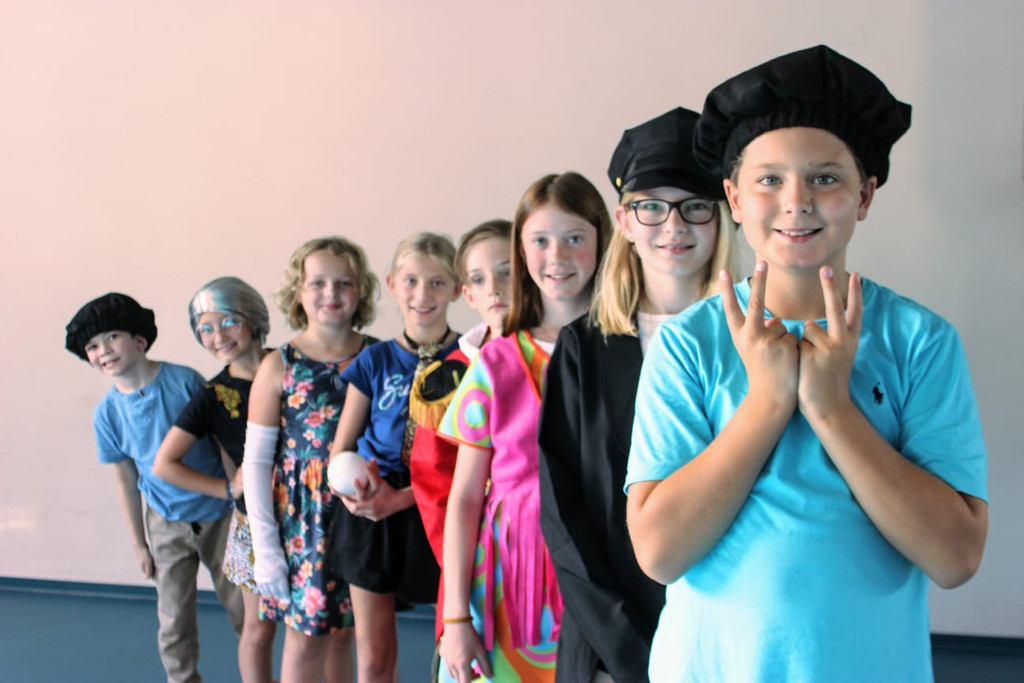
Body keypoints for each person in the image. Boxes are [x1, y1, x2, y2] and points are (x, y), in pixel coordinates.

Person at [625, 45, 988, 682]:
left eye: (825, 178)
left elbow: (955, 557)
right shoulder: (689, 345)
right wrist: (768, 402)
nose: (796, 202)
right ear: (734, 197)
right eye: (769, 180)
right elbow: (659, 550)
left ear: (865, 194)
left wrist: (831, 408)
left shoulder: (919, 341)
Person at [537, 108, 739, 683]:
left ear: (723, 216)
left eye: (694, 206)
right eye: (652, 206)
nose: (673, 226)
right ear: (625, 220)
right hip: (613, 647)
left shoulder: (754, 340)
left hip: (732, 633)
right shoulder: (583, 348)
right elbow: (565, 517)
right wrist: (630, 653)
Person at [437, 172, 611, 682]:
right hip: (508, 579)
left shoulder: (626, 350)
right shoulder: (496, 362)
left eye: (575, 237)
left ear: (603, 240)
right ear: (521, 250)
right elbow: (464, 497)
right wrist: (455, 618)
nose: (557, 256)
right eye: (540, 240)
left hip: (600, 571)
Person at [65, 292, 244, 683]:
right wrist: (140, 544)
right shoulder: (107, 414)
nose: (103, 350)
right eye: (93, 346)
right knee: (173, 619)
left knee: (244, 609)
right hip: (164, 522)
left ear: (140, 340)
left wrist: (240, 501)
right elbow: (126, 478)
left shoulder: (185, 382)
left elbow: (222, 441)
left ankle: (257, 673)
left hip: (220, 517)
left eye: (112, 337)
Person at [326, 232, 462, 683]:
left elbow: (477, 463)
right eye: (411, 281)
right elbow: (341, 450)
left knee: (456, 643)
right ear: (391, 284)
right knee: (374, 658)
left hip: (444, 508)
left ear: (457, 288)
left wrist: (402, 499)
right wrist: (352, 491)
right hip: (372, 512)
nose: (423, 295)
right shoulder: (374, 360)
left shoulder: (474, 359)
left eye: (437, 283)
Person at [243, 237, 379, 683]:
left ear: (361, 290)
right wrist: (265, 548)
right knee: (306, 637)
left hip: (362, 512)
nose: (331, 293)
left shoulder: (379, 356)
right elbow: (256, 463)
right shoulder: (279, 365)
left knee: (346, 633)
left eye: (344, 283)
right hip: (304, 522)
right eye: (317, 283)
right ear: (298, 292)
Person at [152, 276, 277, 683]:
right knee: (258, 627)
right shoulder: (213, 394)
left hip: (308, 516)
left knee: (313, 625)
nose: (217, 336)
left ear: (252, 318)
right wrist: (226, 489)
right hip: (253, 523)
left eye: (228, 322)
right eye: (204, 328)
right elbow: (165, 463)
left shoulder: (293, 366)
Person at [408, 219, 513, 640]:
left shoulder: (561, 357)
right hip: (475, 556)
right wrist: (464, 566)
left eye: (507, 272)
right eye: (480, 279)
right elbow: (433, 483)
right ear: (467, 293)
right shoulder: (447, 378)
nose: (495, 289)